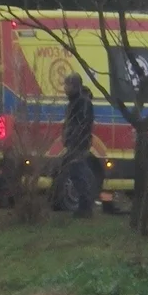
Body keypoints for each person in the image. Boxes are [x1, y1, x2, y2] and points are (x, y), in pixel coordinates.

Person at [62, 73, 96, 219]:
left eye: (67, 85)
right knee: (75, 173)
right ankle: (84, 207)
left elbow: (82, 124)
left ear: (75, 86)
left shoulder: (83, 102)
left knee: (79, 173)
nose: (65, 88)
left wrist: (73, 138)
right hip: (74, 143)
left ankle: (86, 207)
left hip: (79, 144)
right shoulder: (74, 101)